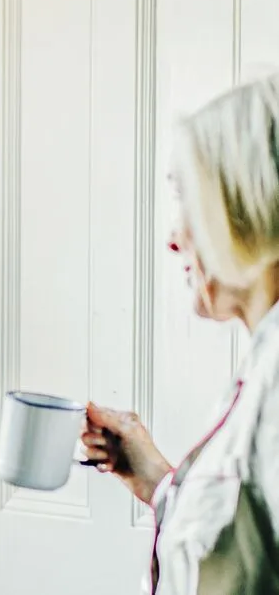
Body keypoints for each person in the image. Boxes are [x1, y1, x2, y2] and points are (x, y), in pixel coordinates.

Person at [82, 75, 279, 594]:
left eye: (187, 201)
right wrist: (157, 481)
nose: (173, 238)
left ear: (245, 206)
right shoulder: (263, 360)